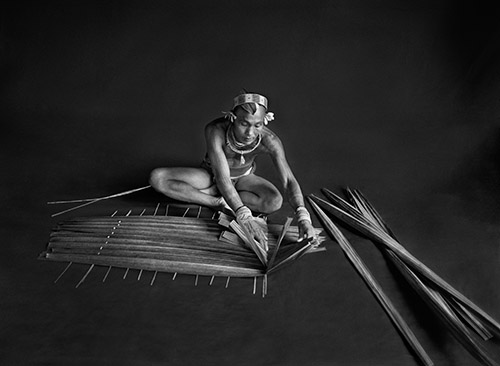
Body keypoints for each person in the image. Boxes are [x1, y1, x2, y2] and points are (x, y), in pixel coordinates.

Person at [150, 92, 316, 249]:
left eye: (257, 125)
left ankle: (221, 198)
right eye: (244, 124)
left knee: (274, 201)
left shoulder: (270, 141)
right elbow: (222, 178)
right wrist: (244, 216)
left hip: (243, 179)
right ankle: (218, 202)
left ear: (264, 121)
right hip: (212, 176)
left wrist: (303, 216)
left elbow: (288, 181)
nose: (250, 133)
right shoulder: (215, 130)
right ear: (232, 119)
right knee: (158, 178)